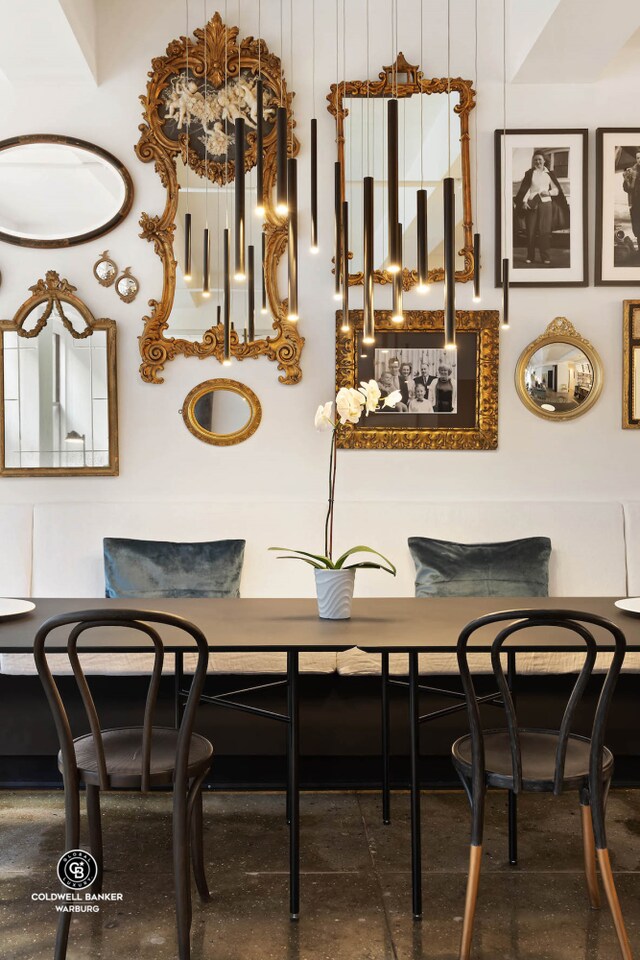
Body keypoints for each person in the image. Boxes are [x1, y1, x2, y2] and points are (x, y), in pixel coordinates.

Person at [514, 152, 568, 266]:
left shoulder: (549, 174)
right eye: (535, 160)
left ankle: (545, 257)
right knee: (530, 231)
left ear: (544, 161)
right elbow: (526, 188)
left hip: (546, 204)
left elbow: (556, 190)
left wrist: (547, 192)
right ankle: (530, 256)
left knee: (545, 232)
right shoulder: (530, 173)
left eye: (540, 160)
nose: (538, 162)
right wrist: (524, 202)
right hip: (531, 204)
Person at [622, 148, 640, 255]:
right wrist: (626, 179)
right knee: (637, 227)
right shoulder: (631, 171)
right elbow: (626, 189)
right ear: (636, 159)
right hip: (636, 204)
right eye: (638, 158)